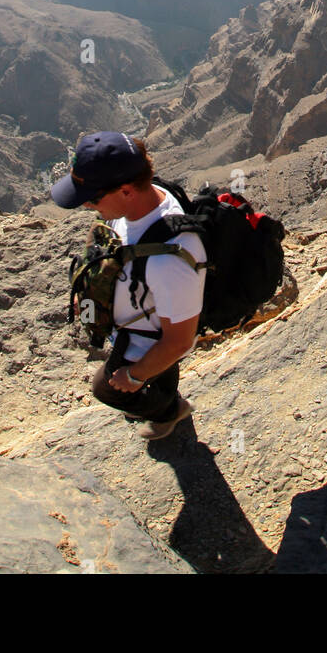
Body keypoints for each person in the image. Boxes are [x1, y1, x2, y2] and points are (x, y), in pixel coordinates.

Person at [51, 132, 205, 440]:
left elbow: (178, 342)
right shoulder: (146, 199)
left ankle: (168, 410)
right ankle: (161, 387)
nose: (87, 207)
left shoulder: (170, 260)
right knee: (161, 371)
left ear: (125, 191)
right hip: (142, 325)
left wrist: (135, 376)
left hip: (148, 338)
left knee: (105, 389)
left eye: (93, 199)